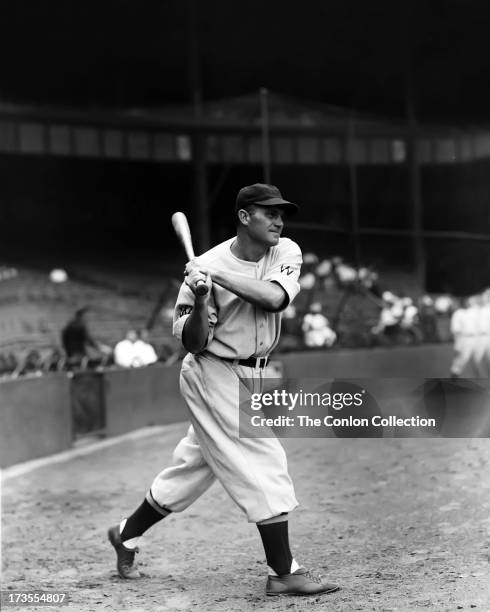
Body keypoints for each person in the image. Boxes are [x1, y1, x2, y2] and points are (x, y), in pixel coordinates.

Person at [107, 183, 339, 597]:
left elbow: (274, 299)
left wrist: (215, 277)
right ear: (245, 217)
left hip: (252, 373)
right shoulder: (204, 267)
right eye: (269, 213)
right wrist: (199, 301)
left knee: (194, 468)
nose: (279, 220)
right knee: (264, 458)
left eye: (282, 213)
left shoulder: (283, 251)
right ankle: (283, 571)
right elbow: (194, 343)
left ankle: (125, 533)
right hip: (211, 369)